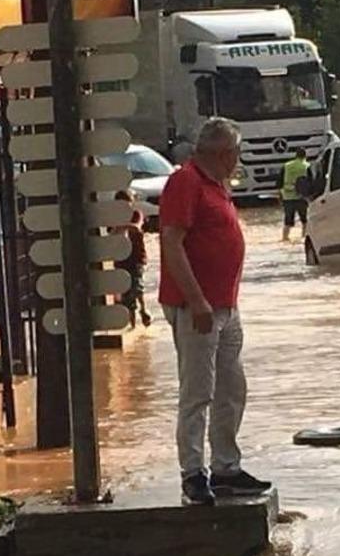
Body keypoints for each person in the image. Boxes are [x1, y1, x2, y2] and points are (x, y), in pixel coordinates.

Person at [158, 117, 273, 506]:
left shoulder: (217, 185)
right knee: (198, 392)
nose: (238, 161)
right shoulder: (185, 182)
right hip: (198, 307)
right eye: (236, 154)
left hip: (226, 305)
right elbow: (172, 243)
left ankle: (226, 467)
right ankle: (193, 473)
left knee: (231, 389)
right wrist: (196, 301)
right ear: (224, 153)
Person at [112, 190, 151, 328]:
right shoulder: (114, 217)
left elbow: (136, 227)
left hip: (136, 258)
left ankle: (143, 309)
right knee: (126, 291)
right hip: (121, 259)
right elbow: (110, 233)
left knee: (137, 287)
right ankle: (132, 323)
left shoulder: (136, 214)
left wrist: (122, 226)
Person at [279, 148, 310, 242]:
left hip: (287, 197)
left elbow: (279, 182)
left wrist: (280, 194)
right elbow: (311, 182)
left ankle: (285, 237)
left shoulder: (286, 166)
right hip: (302, 197)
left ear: (295, 155)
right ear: (305, 156)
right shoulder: (307, 166)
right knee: (305, 219)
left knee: (288, 220)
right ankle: (304, 237)